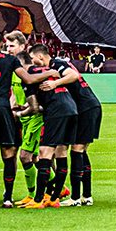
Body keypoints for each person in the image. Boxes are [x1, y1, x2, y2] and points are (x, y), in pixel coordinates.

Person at [0, 30, 52, 208]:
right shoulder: (10, 60)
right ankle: (7, 197)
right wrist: (50, 73)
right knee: (9, 153)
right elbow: (29, 79)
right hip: (1, 108)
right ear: (1, 44)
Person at [17, 43, 80, 208]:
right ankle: (54, 198)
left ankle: (38, 200)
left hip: (57, 112)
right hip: (71, 109)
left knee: (45, 152)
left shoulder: (28, 76)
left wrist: (18, 113)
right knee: (61, 152)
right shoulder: (46, 70)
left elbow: (35, 107)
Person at [43, 49, 104, 206]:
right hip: (91, 106)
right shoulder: (59, 64)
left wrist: (54, 83)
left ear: (40, 56)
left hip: (85, 108)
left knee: (77, 151)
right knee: (81, 151)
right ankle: (87, 196)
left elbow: (73, 76)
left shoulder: (57, 64)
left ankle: (75, 198)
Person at [3, 31, 42, 202]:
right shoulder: (12, 67)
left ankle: (45, 193)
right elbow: (14, 92)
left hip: (34, 117)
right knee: (31, 157)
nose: (8, 49)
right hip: (21, 117)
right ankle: (45, 192)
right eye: (7, 46)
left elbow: (36, 97)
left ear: (22, 46)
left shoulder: (30, 68)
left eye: (12, 46)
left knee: (35, 156)